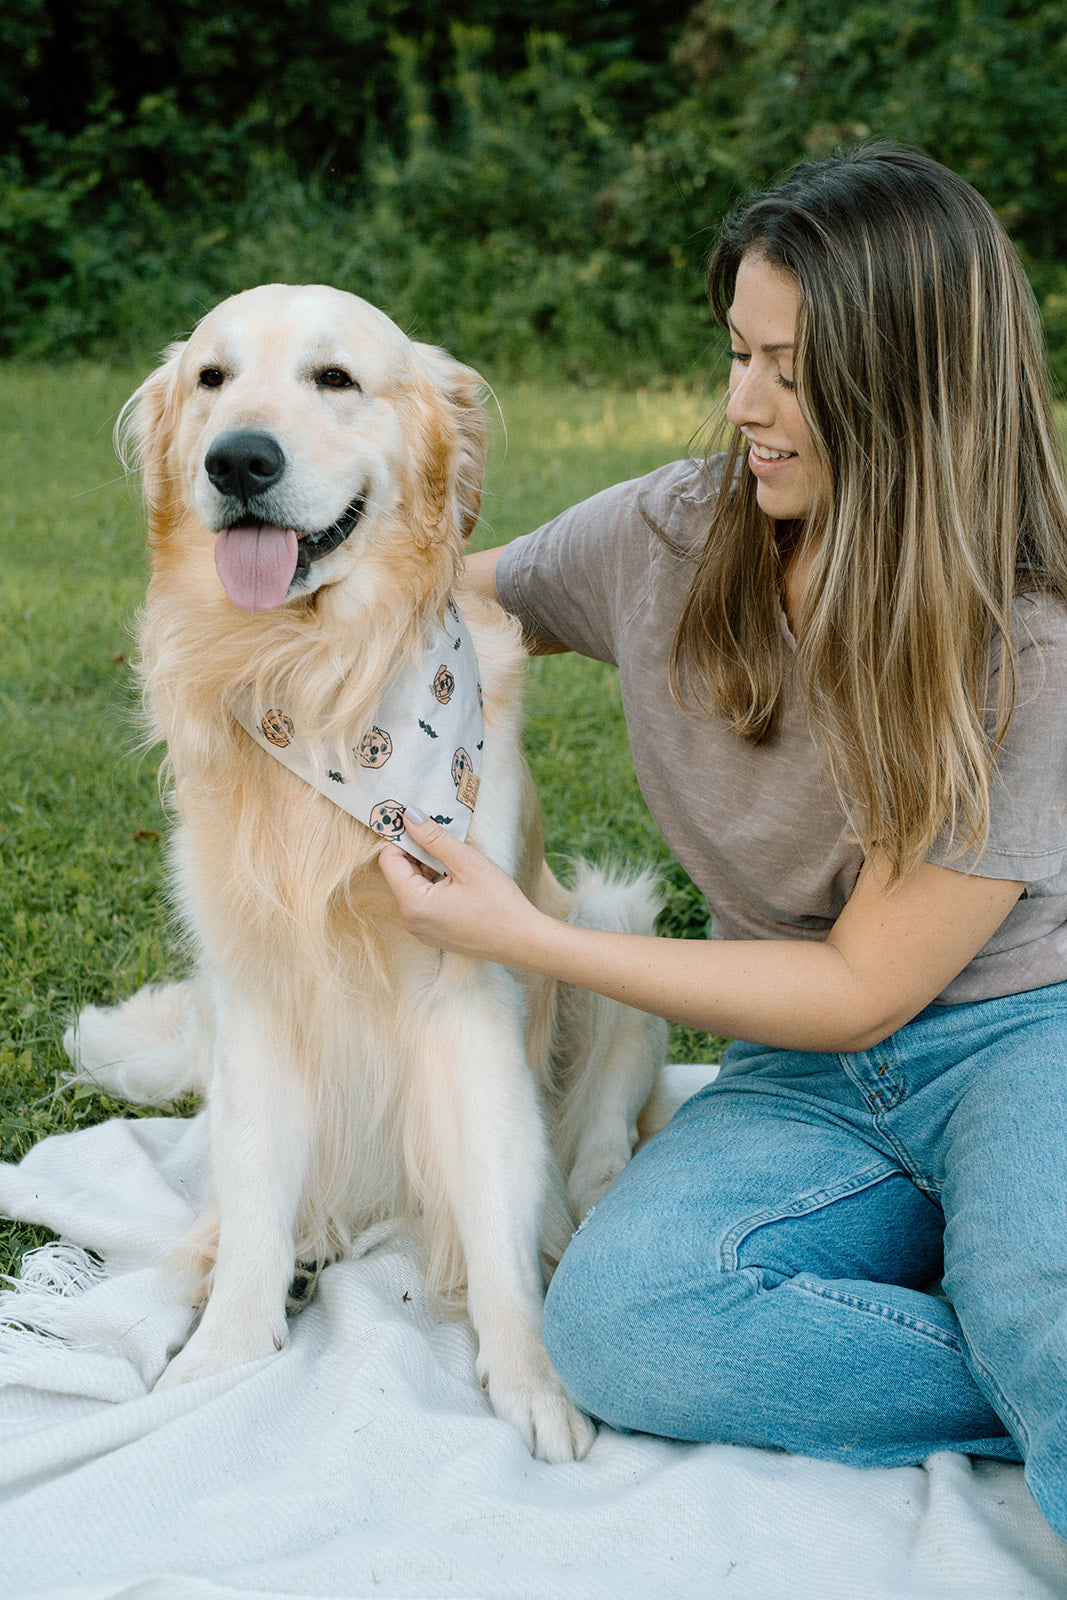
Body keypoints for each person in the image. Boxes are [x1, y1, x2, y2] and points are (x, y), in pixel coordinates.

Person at [378, 144, 1067, 1538]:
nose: (740, 404)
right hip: (796, 1074)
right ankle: (1001, 1323)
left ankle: (1019, 1301)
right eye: (736, 352)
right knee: (630, 1326)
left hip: (1021, 1036)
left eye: (788, 368)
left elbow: (868, 984)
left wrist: (528, 939)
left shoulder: (1026, 642)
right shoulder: (674, 535)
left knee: (1042, 1303)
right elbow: (461, 602)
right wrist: (276, 559)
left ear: (912, 387)